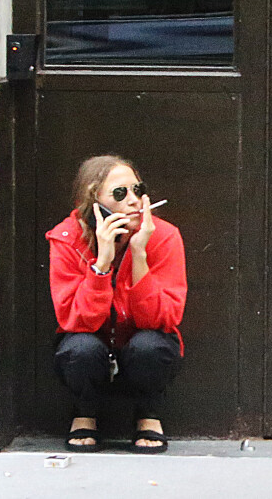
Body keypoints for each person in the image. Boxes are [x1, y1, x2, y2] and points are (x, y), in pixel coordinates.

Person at [46, 154, 187, 453]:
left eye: (138, 190)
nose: (135, 201)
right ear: (94, 201)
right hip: (89, 345)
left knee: (151, 345)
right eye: (120, 194)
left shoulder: (162, 236)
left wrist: (139, 255)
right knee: (79, 348)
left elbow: (163, 319)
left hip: (142, 344)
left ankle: (148, 415)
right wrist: (103, 263)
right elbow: (75, 320)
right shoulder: (67, 238)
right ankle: (84, 413)